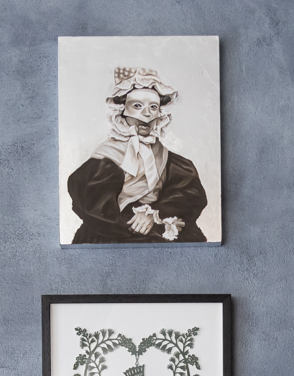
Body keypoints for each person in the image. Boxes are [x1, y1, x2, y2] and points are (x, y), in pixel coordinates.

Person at [66, 67, 208, 244]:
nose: (147, 113)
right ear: (121, 110)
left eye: (153, 107)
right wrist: (153, 226)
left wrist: (157, 214)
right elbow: (96, 211)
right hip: (115, 236)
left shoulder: (175, 163)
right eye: (137, 106)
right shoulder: (105, 158)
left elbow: (191, 196)